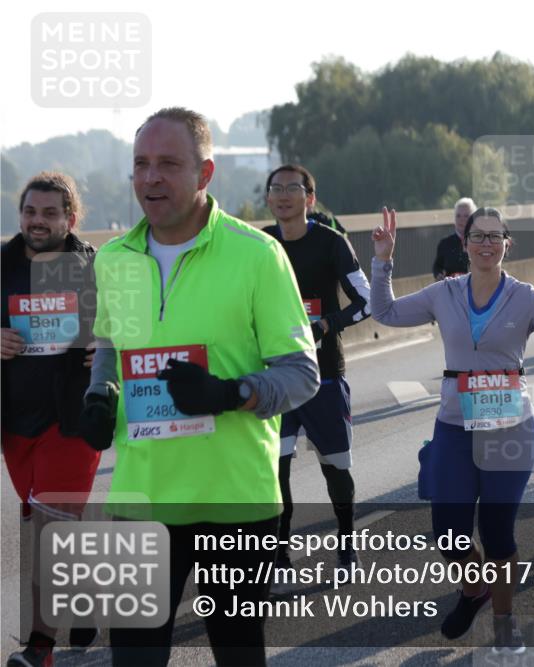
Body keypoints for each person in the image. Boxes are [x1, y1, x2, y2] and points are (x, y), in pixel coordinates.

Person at [79, 107, 320, 666]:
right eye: (141, 164)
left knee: (238, 656)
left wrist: (230, 393)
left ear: (205, 173)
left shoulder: (258, 255)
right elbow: (112, 348)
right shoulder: (114, 259)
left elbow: (302, 374)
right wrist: (99, 398)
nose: (150, 178)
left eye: (167, 164)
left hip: (233, 501)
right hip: (141, 499)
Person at [370, 206, 534, 653]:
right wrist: (382, 261)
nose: (486, 243)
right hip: (454, 426)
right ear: (465, 243)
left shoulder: (525, 297)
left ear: (507, 245)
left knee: (497, 534)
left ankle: (505, 621)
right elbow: (387, 313)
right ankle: (475, 591)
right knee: (449, 532)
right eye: (479, 236)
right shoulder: (444, 292)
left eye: (495, 236)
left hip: (510, 428)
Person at [2, 173, 101, 667]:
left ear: (70, 218)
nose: (37, 222)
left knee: (49, 527)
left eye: (49, 213)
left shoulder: (92, 267)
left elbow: (131, 328)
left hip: (72, 419)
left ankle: (39, 647)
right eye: (30, 212)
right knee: (43, 515)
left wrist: (106, 350)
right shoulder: (0, 263)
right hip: (15, 423)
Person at [261, 164, 372, 588]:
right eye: (276, 188)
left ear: (309, 198)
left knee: (336, 469)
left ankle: (346, 540)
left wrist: (327, 324)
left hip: (324, 375)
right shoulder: (261, 245)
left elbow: (366, 301)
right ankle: (279, 548)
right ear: (269, 199)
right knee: (276, 470)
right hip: (273, 380)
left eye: (294, 188)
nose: (284, 195)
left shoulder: (331, 243)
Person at [433, 198, 475, 279]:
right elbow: (437, 266)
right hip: (451, 288)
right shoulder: (445, 243)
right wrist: (439, 274)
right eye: (458, 216)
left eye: (466, 216)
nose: (461, 219)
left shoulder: (480, 242)